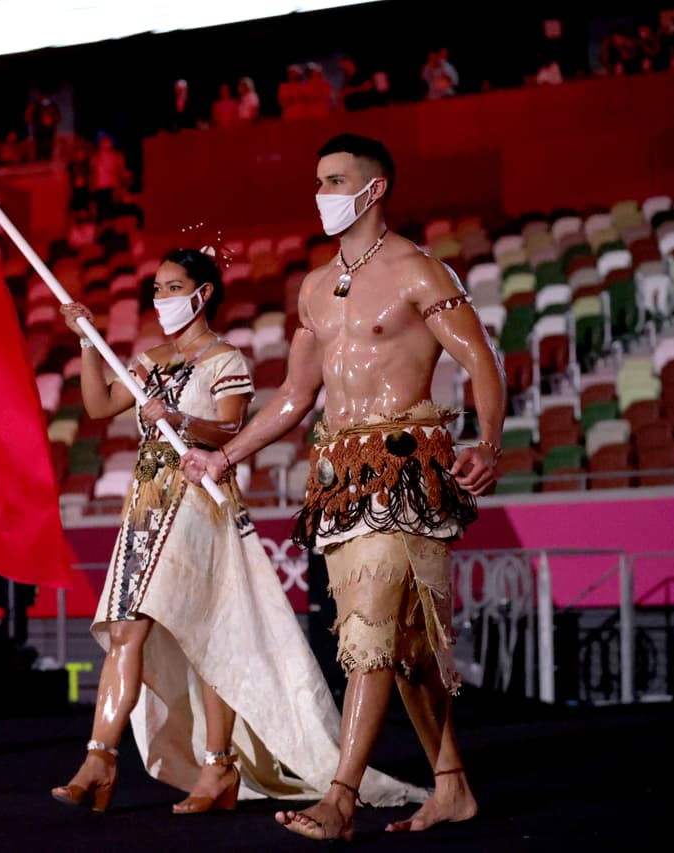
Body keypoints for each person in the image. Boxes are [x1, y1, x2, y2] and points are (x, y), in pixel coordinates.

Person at [181, 133, 505, 840]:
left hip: (406, 466)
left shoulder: (421, 272)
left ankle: (340, 797)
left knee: (370, 633)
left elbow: (481, 359)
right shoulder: (313, 289)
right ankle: (451, 785)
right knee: (409, 647)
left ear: (375, 186)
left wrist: (488, 442)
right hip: (338, 478)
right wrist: (226, 455)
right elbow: (295, 397)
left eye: (334, 179)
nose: (322, 193)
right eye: (318, 180)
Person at [51, 243, 426, 817]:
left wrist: (178, 419)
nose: (160, 298)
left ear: (203, 295)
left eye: (172, 288)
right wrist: (85, 340)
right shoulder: (151, 360)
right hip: (146, 510)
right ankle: (100, 759)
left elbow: (228, 430)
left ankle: (217, 765)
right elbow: (101, 406)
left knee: (205, 636)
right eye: (156, 289)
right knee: (125, 628)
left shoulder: (228, 362)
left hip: (199, 505)